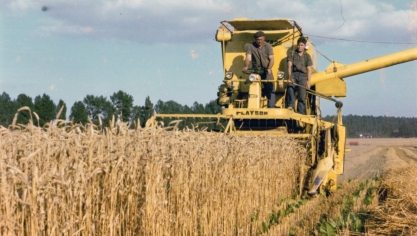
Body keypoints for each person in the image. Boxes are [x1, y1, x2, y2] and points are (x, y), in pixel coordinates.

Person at [243, 31, 275, 107]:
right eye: (258, 39)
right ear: (255, 39)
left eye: (261, 39)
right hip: (256, 70)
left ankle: (271, 107)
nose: (259, 41)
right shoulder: (251, 46)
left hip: (266, 70)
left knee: (270, 86)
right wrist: (246, 66)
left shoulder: (268, 46)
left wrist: (269, 68)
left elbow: (272, 59)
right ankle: (253, 106)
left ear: (264, 38)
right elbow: (248, 57)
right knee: (253, 85)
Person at [286, 37, 312, 114]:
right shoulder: (292, 53)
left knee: (302, 96)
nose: (299, 47)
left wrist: (309, 82)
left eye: (301, 45)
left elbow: (309, 69)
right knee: (290, 87)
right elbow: (289, 65)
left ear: (304, 46)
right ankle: (290, 106)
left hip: (303, 76)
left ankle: (300, 113)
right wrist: (290, 77)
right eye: (298, 45)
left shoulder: (307, 56)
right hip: (294, 74)